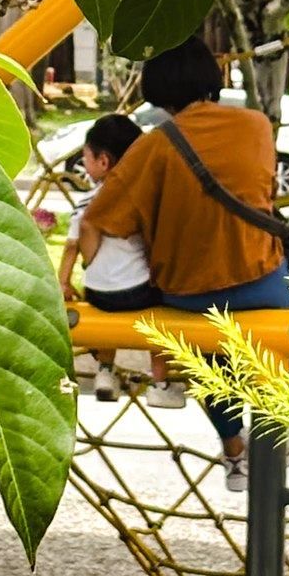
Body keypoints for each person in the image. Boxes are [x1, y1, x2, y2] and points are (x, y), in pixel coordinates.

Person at [79, 35, 289, 490]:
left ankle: (233, 450)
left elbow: (104, 217)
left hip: (188, 292)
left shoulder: (153, 147)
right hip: (261, 280)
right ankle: (286, 417)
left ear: (157, 87)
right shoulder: (256, 126)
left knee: (208, 357)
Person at [57, 114, 176, 403]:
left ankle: (105, 372)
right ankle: (160, 385)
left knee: (100, 299)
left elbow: (72, 247)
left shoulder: (87, 202)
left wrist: (63, 282)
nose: (84, 164)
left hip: (100, 294)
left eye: (86, 158)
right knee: (163, 304)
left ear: (103, 162)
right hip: (139, 293)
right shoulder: (142, 199)